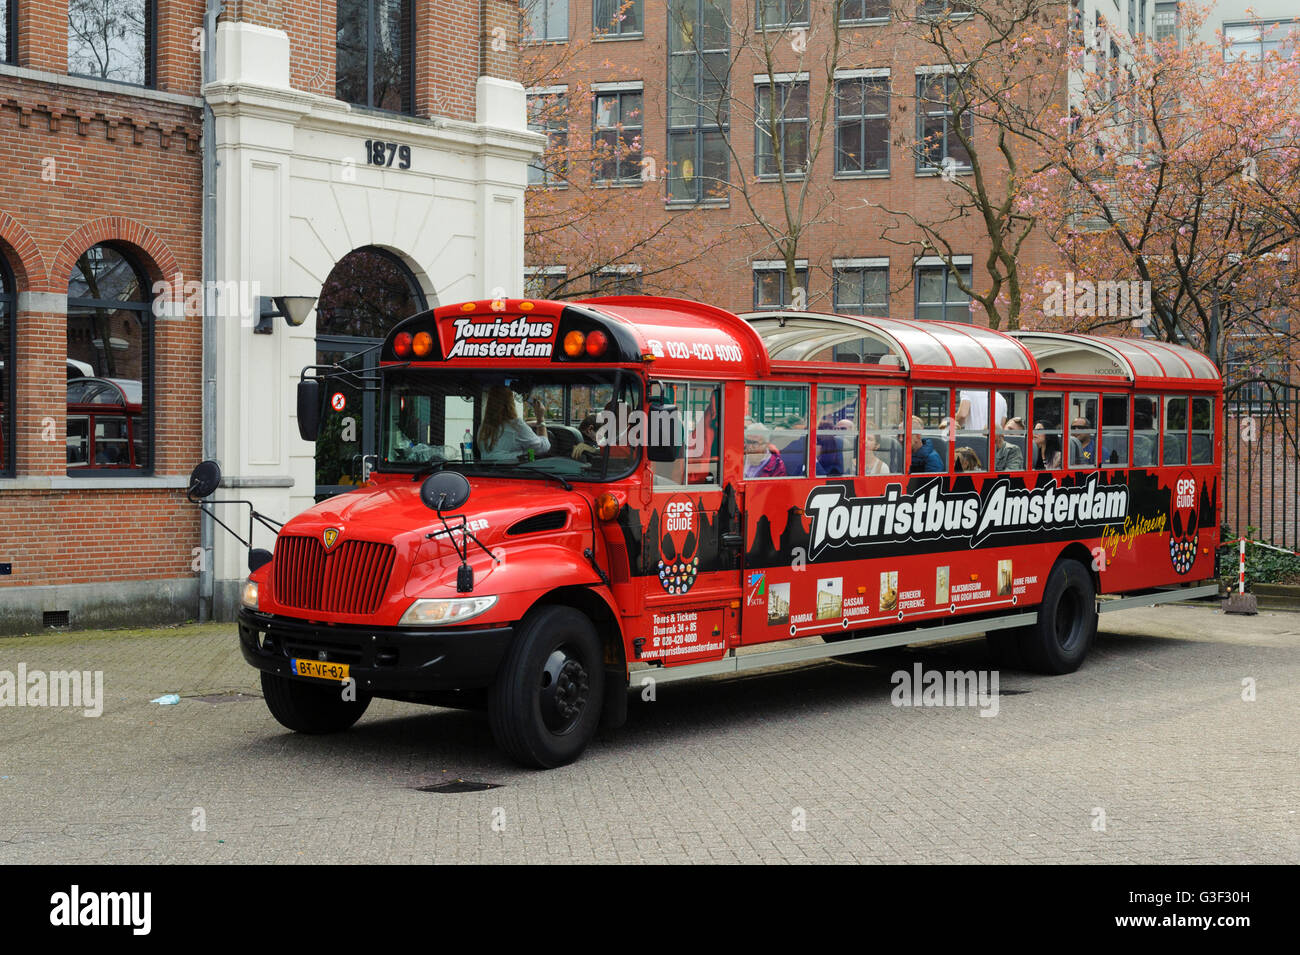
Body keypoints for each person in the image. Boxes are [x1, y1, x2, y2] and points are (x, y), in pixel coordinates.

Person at [477, 385, 549, 462]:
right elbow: (544, 447)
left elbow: (506, 431)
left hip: (489, 471)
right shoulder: (517, 425)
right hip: (512, 471)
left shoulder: (484, 427)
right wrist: (540, 419)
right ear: (510, 402)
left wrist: (526, 425)